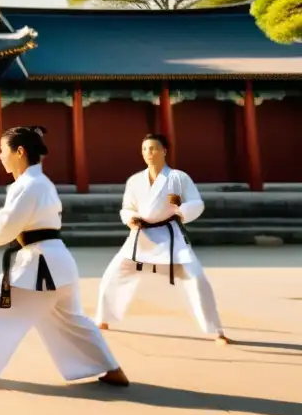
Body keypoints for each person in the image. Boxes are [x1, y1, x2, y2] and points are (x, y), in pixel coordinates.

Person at [0, 126, 129, 390]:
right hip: (55, 261)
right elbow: (10, 221)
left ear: (19, 152)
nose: (0, 156)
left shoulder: (31, 185)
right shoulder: (33, 184)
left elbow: (7, 224)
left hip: (41, 263)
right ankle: (111, 369)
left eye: (3, 150)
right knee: (70, 319)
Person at [95, 133, 230, 344]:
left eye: (153, 148)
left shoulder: (178, 177)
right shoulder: (135, 180)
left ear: (164, 151)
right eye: (144, 149)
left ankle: (216, 331)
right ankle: (103, 318)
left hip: (170, 236)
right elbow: (127, 207)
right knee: (113, 275)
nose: (148, 153)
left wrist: (181, 212)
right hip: (140, 236)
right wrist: (131, 218)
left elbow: (197, 203)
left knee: (196, 279)